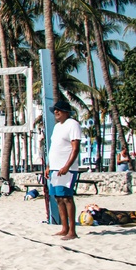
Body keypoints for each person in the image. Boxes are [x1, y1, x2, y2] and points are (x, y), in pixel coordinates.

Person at [47, 100, 82, 240]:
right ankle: (64, 228)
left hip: (66, 168)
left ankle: (72, 231)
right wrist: (49, 166)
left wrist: (67, 166)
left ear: (67, 112)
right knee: (58, 198)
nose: (56, 112)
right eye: (55, 109)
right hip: (55, 168)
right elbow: (54, 148)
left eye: (59, 109)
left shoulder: (73, 124)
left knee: (67, 197)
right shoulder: (57, 127)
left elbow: (75, 148)